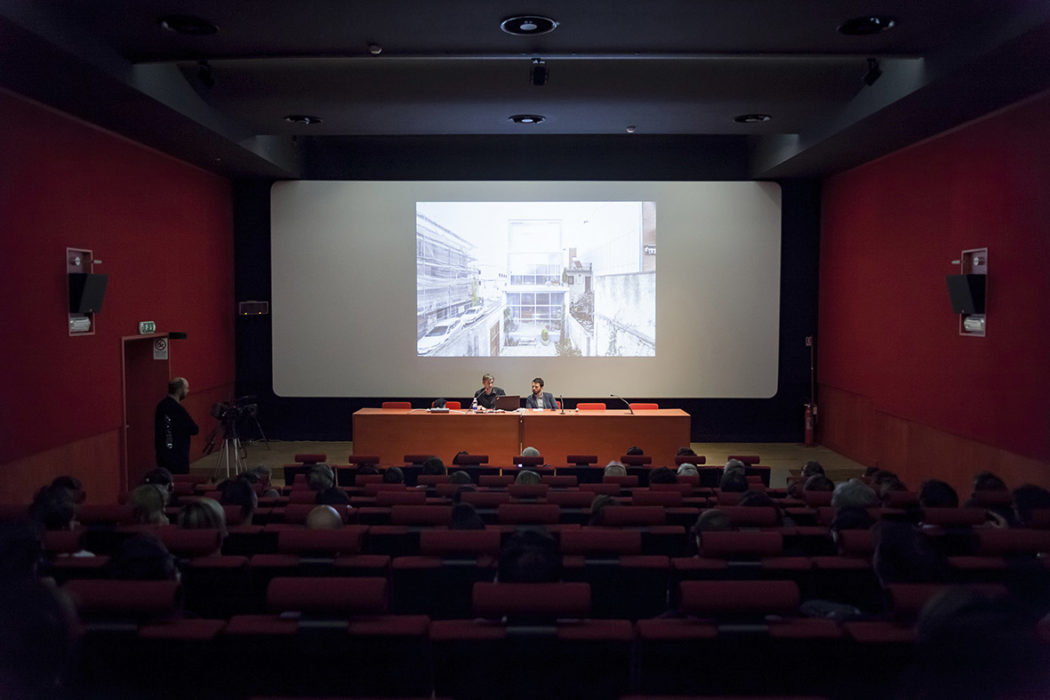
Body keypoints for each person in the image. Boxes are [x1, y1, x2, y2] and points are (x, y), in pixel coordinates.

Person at [154, 377, 199, 474]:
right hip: (178, 455)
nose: (188, 391)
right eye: (186, 388)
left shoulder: (161, 406)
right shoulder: (178, 409)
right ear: (180, 390)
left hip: (163, 453)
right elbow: (194, 429)